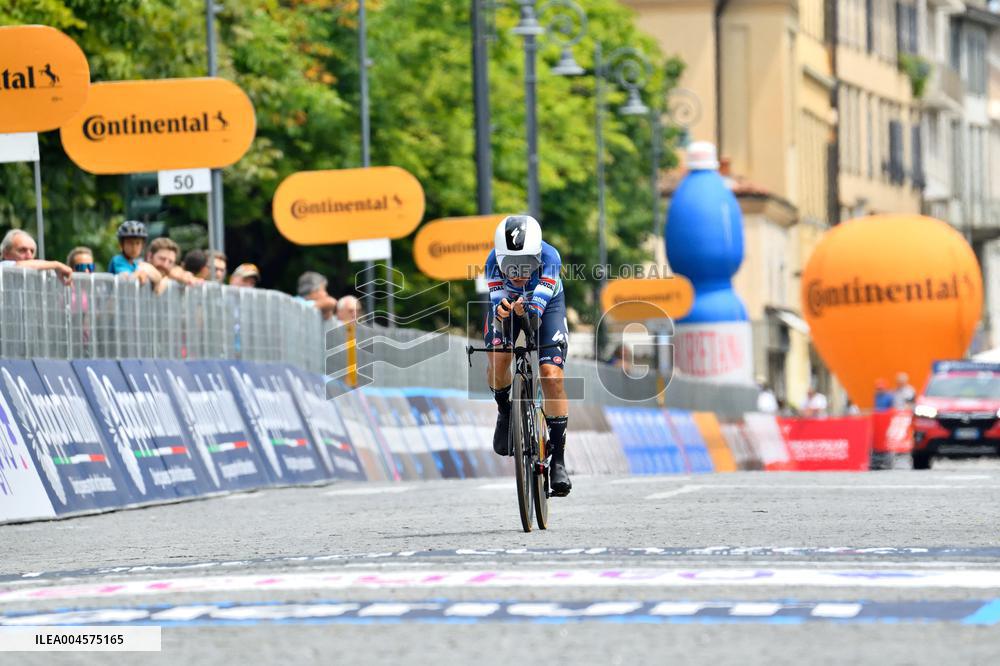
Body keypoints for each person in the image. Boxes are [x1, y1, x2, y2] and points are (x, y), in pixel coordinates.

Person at [484, 215, 571, 497]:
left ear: (537, 256)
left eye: (526, 264)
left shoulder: (550, 258)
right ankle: (505, 409)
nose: (518, 272)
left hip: (546, 308)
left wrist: (525, 312)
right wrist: (503, 312)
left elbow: (534, 318)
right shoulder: (490, 263)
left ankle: (558, 459)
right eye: (509, 265)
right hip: (511, 307)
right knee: (498, 357)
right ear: (499, 259)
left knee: (551, 375)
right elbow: (499, 306)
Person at [0, 229, 73, 284]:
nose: (29, 256)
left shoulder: (30, 276)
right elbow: (18, 266)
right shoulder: (3, 266)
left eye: (32, 251)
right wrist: (57, 265)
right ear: (5, 253)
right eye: (22, 250)